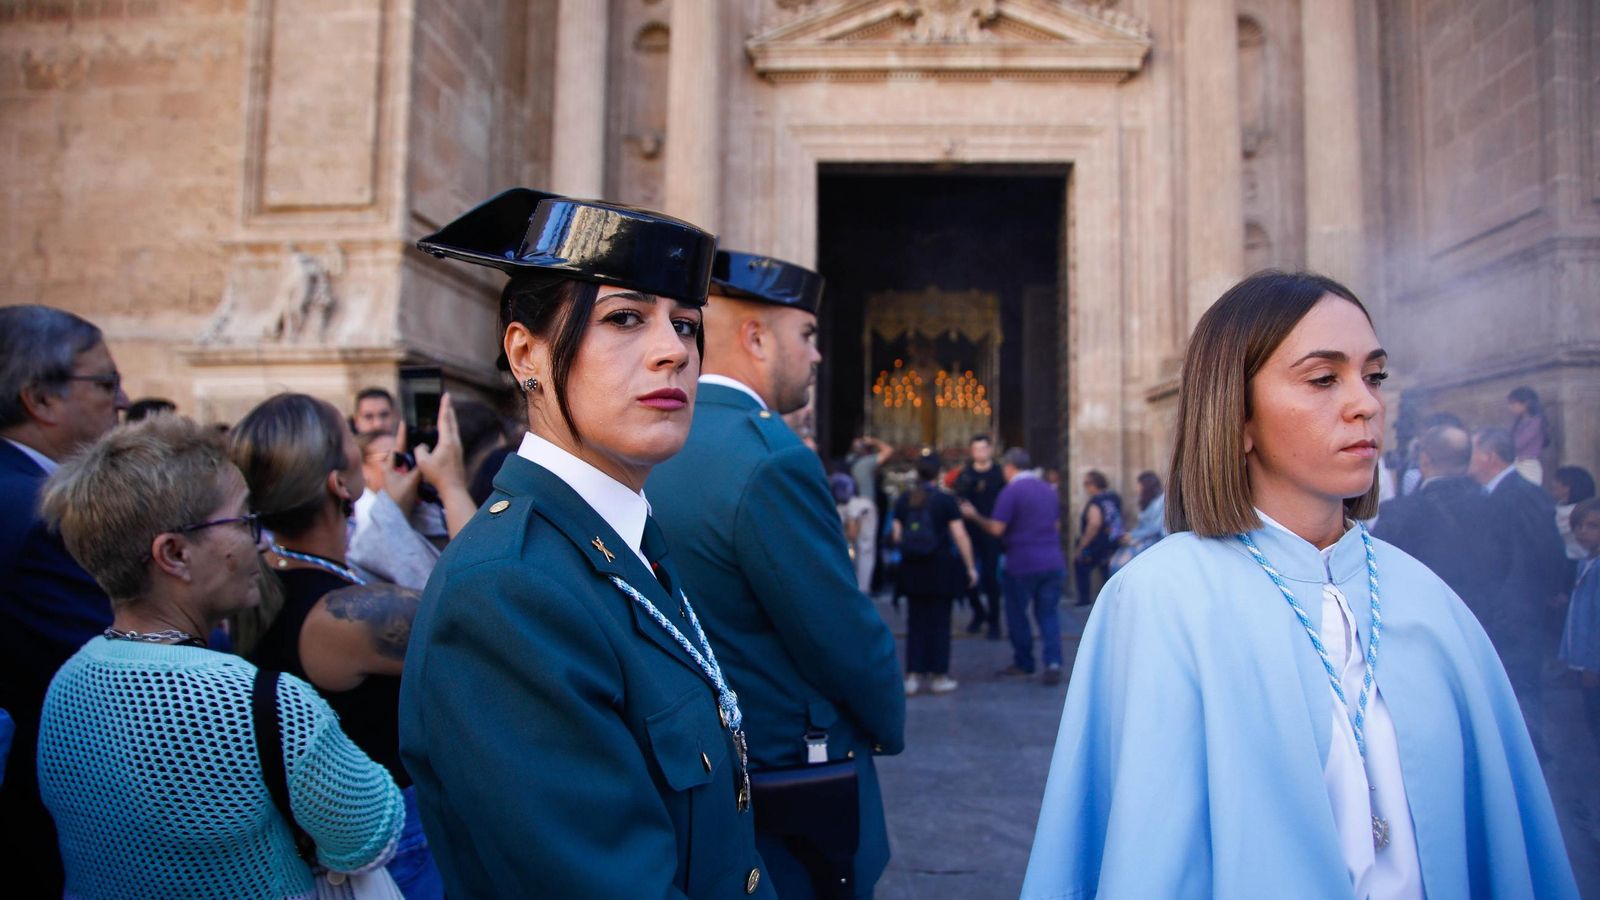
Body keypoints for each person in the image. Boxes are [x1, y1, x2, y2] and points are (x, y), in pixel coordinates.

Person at [1023, 270, 1576, 899]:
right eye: (1323, 378)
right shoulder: (1159, 600)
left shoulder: (1428, 599)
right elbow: (1148, 856)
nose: (1366, 403)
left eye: (1373, 375)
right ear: (1237, 415)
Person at [401, 189, 773, 897]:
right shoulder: (508, 593)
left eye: (687, 326)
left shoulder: (623, 543)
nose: (673, 352)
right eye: (625, 318)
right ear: (525, 352)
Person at [34, 414, 405, 898]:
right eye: (245, 521)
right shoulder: (255, 703)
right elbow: (370, 836)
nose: (261, 542)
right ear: (174, 554)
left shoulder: (67, 681)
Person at [647, 249, 904, 899]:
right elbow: (839, 633)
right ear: (756, 337)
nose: (817, 356)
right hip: (784, 776)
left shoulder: (654, 432)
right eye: (808, 335)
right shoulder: (770, 458)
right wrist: (888, 719)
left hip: (692, 767)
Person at [229, 392, 443, 897]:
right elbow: (484, 615)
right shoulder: (341, 617)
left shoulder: (268, 580)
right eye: (351, 438)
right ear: (338, 484)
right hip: (391, 847)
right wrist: (452, 483)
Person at [0, 304, 126, 892]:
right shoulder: (39, 512)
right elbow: (109, 671)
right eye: (104, 384)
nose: (120, 402)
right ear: (41, 400)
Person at [1469, 424, 1570, 743]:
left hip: (1519, 609)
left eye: (1474, 453)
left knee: (1522, 685)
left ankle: (1531, 752)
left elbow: (1546, 548)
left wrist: (1549, 591)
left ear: (1489, 457)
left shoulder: (1522, 493)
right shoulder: (1494, 493)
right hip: (1501, 609)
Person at [1372, 424, 1507, 619]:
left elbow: (1376, 578)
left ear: (1425, 459)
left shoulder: (1400, 514)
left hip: (1422, 628)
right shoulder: (1499, 508)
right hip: (1487, 627)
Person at [961, 447, 1067, 685]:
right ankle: (1053, 662)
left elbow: (997, 529)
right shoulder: (1048, 490)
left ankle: (1024, 662)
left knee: (1017, 614)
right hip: (1052, 560)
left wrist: (974, 516)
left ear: (1010, 467)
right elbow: (1057, 525)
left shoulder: (1012, 491)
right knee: (1048, 614)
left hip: (1022, 563)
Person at [892, 453, 978, 696]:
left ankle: (912, 676)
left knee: (916, 622)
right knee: (940, 622)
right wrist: (970, 567)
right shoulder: (944, 501)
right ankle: (939, 676)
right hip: (940, 569)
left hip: (912, 569)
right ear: (939, 473)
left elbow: (897, 536)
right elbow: (960, 535)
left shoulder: (905, 499)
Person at [1558, 499, 1600, 750]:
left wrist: (1592, 665)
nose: (1583, 532)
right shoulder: (1586, 563)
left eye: (1593, 526)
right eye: (1578, 526)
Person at [954, 433, 1004, 636]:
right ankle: (978, 612)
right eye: (976, 449)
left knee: (991, 578)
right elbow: (957, 499)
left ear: (990, 450)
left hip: (991, 532)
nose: (980, 453)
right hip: (969, 533)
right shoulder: (965, 475)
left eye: (983, 448)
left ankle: (994, 621)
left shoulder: (1000, 474)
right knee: (966, 575)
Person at [1071, 469, 1124, 605]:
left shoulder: (1096, 501)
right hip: (1113, 541)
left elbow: (1094, 524)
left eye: (1087, 484)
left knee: (1081, 565)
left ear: (1094, 484)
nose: (1086, 487)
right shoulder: (1114, 497)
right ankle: (1113, 601)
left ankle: (1084, 600)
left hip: (1097, 544)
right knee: (1108, 572)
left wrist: (1081, 546)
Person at [832, 472, 879, 595]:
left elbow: (852, 534)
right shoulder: (847, 506)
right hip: (857, 553)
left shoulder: (857, 505)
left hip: (860, 553)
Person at [1553, 465, 1597, 561]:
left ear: (1567, 488)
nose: (1553, 485)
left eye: (1557, 482)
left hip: (1577, 561)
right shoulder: (1558, 508)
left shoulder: (1577, 513)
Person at [1507, 385, 1549, 485]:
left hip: (1528, 466)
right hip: (1516, 464)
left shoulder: (1536, 422)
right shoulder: (1519, 422)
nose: (1510, 407)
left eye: (1513, 404)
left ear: (1525, 403)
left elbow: (1519, 443)